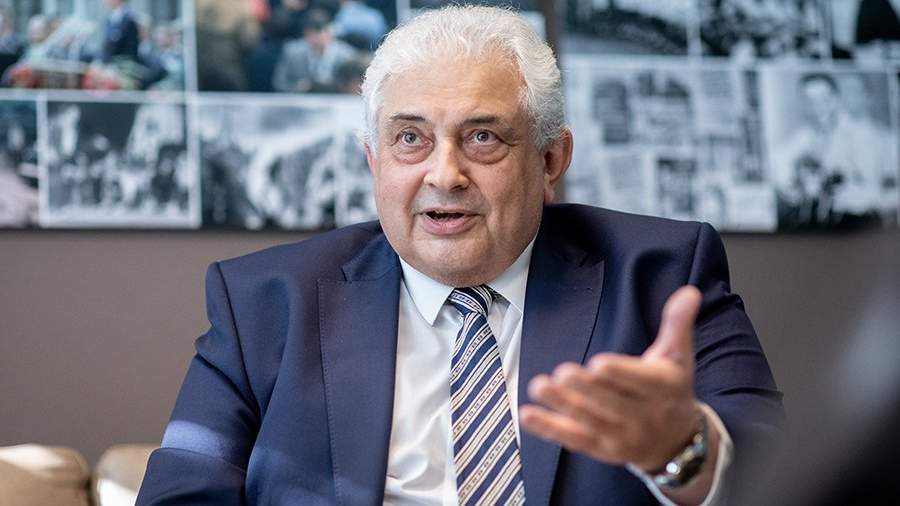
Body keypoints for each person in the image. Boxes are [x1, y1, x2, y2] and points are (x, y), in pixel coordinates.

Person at [137, 6, 784, 505]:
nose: (445, 175)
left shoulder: (663, 274)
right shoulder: (264, 301)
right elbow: (181, 492)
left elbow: (783, 474)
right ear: (374, 161)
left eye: (482, 137)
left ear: (550, 160)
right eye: (410, 138)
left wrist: (682, 450)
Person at [271, 7, 357, 92]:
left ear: (329, 31)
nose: (315, 38)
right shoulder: (292, 52)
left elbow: (352, 87)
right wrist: (297, 86)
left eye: (319, 33)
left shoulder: (347, 55)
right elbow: (279, 83)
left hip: (336, 98)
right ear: (305, 34)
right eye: (310, 34)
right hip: (302, 98)